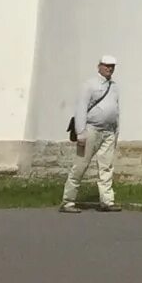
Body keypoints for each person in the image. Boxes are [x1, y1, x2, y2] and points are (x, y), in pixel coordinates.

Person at [61, 54, 121, 212]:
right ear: (99, 66)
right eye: (107, 65)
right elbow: (81, 108)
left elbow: (116, 111)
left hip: (109, 130)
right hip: (91, 129)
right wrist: (81, 132)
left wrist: (116, 132)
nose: (109, 68)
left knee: (106, 167)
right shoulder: (89, 85)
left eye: (112, 66)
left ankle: (107, 201)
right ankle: (68, 201)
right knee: (80, 166)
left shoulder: (113, 86)